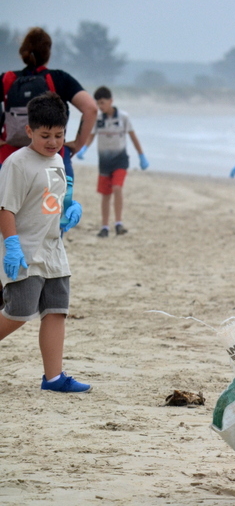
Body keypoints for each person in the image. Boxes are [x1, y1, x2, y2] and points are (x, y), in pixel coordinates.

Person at [0, 93, 90, 393]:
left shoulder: (58, 160)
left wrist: (69, 210)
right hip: (24, 249)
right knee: (19, 312)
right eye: (45, 135)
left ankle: (53, 378)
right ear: (29, 131)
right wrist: (11, 245)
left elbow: (53, 199)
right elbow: (6, 208)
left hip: (53, 248)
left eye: (59, 135)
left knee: (56, 310)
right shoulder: (17, 163)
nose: (52, 142)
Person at [1, 27, 97, 179]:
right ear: (48, 53)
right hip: (53, 156)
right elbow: (91, 108)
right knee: (57, 201)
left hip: (9, 155)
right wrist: (78, 144)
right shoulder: (59, 78)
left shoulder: (8, 79)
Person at [77, 86, 149, 237]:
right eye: (98, 103)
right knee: (105, 194)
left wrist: (141, 155)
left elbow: (133, 136)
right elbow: (91, 136)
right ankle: (104, 226)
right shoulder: (98, 118)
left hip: (120, 160)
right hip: (104, 161)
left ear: (111, 101)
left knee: (117, 188)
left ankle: (118, 223)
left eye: (103, 102)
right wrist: (83, 149)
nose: (100, 106)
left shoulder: (123, 117)